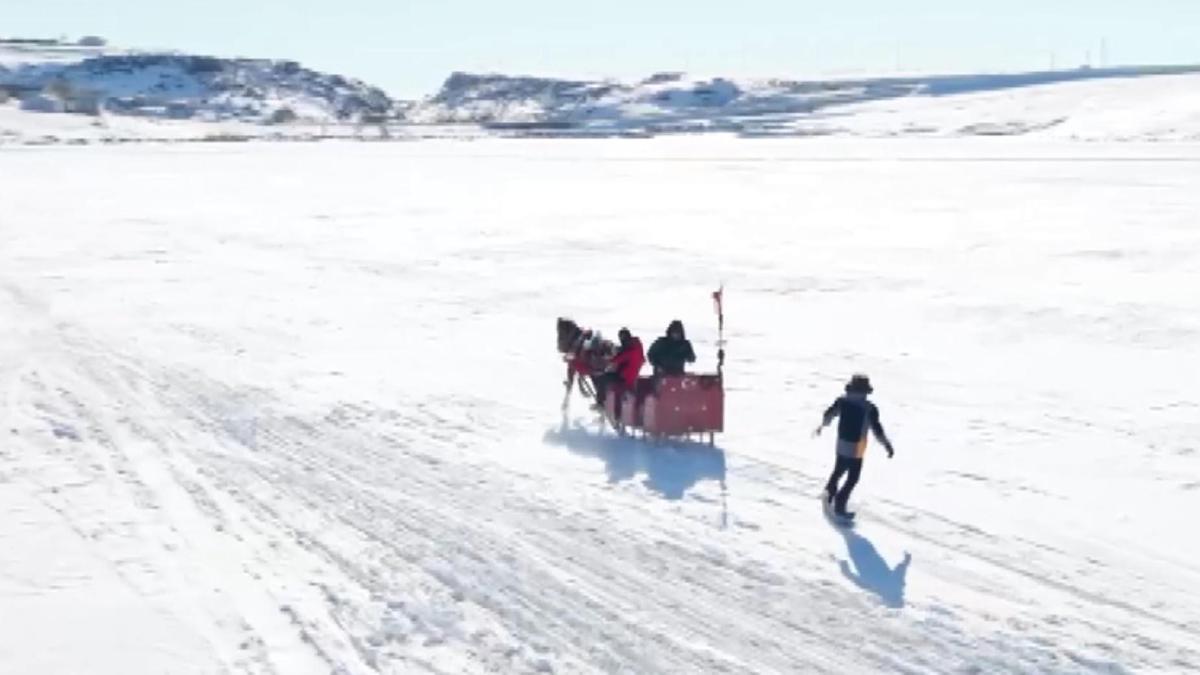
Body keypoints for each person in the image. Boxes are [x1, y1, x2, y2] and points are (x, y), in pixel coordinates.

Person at [813, 374, 895, 520]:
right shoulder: (869, 408)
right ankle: (839, 504)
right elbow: (877, 430)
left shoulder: (842, 401)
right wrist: (887, 445)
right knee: (853, 478)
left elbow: (828, 414)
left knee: (838, 469)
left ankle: (828, 493)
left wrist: (823, 425)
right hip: (857, 447)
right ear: (865, 391)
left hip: (841, 443)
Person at [594, 328, 645, 409]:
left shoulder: (631, 350)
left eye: (621, 338)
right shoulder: (636, 346)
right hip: (631, 375)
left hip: (625, 377)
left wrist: (608, 360)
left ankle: (600, 403)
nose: (621, 340)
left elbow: (618, 359)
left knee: (601, 379)